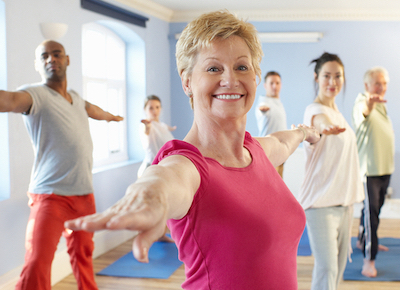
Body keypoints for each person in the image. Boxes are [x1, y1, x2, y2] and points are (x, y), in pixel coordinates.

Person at [65, 11, 320, 289]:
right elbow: (165, 180)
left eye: (242, 67)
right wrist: (149, 196)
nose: (230, 79)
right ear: (187, 81)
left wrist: (306, 133)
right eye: (213, 68)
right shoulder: (189, 165)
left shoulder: (256, 150)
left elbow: (282, 141)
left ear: (256, 76)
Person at [0, 40, 123, 290]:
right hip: (50, 196)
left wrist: (111, 117)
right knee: (36, 262)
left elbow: (93, 110)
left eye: (56, 54)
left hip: (84, 195)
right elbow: (9, 101)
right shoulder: (35, 95)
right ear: (38, 64)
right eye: (44, 56)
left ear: (67, 59)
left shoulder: (76, 99)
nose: (50, 59)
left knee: (84, 256)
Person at [298, 52, 365, 290]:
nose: (332, 82)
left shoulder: (340, 115)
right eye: (327, 76)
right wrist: (325, 127)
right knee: (327, 268)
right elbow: (319, 121)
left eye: (338, 76)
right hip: (321, 205)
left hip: (344, 203)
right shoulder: (314, 110)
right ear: (317, 78)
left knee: (337, 269)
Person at [352, 67, 395, 278]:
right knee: (372, 217)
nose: (381, 87)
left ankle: (363, 240)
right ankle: (369, 259)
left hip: (385, 169)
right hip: (370, 171)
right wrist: (368, 105)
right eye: (377, 83)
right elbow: (363, 112)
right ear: (367, 85)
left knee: (372, 211)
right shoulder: (363, 101)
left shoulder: (381, 105)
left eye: (384, 83)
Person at [255, 71, 287, 177]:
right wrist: (263, 110)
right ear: (265, 85)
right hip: (269, 153)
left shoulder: (279, 104)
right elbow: (262, 109)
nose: (275, 86)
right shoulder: (264, 103)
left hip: (281, 153)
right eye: (271, 83)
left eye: (277, 83)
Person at [138, 95, 176, 178]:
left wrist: (172, 128)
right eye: (151, 108)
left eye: (157, 107)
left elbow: (165, 127)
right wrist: (146, 126)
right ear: (145, 109)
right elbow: (146, 131)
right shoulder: (147, 125)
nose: (154, 110)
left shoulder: (162, 125)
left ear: (161, 108)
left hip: (162, 167)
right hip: (150, 169)